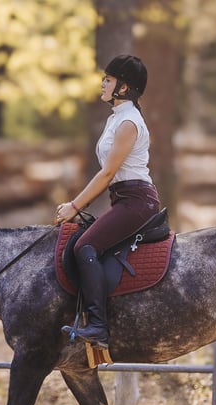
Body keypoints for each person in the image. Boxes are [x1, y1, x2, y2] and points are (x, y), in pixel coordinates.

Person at [55, 54, 161, 348]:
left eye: (109, 79)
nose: (103, 83)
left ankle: (99, 327)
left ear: (124, 88)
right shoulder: (117, 119)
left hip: (137, 200)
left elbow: (107, 174)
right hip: (125, 197)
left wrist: (74, 207)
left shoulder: (128, 123)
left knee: (84, 246)